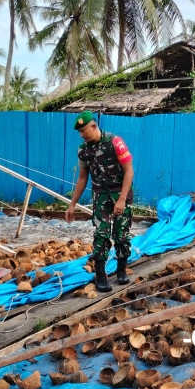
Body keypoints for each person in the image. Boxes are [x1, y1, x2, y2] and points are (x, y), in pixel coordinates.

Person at [65, 111, 134, 293]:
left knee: (121, 234)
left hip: (121, 191)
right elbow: (82, 178)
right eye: (79, 131)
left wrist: (121, 199)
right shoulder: (83, 150)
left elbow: (129, 171)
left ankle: (121, 270)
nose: (81, 134)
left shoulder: (115, 142)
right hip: (100, 195)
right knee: (101, 233)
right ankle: (101, 276)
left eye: (83, 130)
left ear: (94, 126)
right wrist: (72, 204)